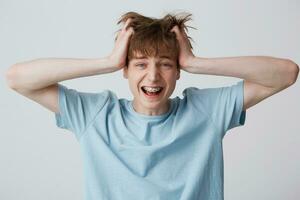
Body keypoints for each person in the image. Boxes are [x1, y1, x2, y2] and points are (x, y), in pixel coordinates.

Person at [5, 11, 299, 200]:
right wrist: (106, 62)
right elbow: (17, 78)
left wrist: (197, 63)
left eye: (166, 64)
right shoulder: (96, 115)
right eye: (141, 64)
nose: (153, 76)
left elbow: (286, 74)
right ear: (126, 69)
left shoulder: (204, 111)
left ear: (178, 70)